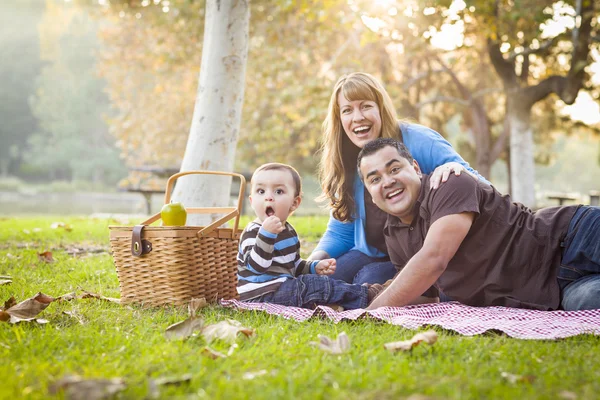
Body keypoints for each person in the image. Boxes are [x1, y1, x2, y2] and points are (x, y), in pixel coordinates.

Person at [357, 137, 600, 311]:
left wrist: (369, 313)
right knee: (590, 302)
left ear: (416, 168)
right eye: (375, 179)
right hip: (553, 290)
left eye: (395, 169)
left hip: (570, 238)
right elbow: (422, 293)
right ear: (370, 192)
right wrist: (364, 295)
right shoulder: (393, 233)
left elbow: (434, 258)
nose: (387, 181)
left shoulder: (449, 184)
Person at [310, 72, 489, 287]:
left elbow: (483, 187)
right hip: (374, 253)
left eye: (365, 106)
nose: (357, 117)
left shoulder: (421, 141)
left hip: (423, 253)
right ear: (340, 119)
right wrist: (310, 263)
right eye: (347, 110)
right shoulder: (346, 159)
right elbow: (342, 231)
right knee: (315, 281)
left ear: (381, 108)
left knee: (366, 279)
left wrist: (456, 169)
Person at [237, 163, 383, 310]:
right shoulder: (253, 232)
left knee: (317, 283)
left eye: (279, 191)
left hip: (283, 289)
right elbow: (257, 267)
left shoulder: (288, 232)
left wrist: (314, 267)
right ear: (251, 201)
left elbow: (294, 265)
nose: (268, 197)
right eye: (261, 191)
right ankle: (367, 295)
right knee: (314, 286)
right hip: (261, 295)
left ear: (294, 203)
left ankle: (346, 301)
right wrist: (266, 234)